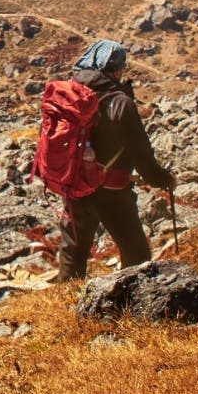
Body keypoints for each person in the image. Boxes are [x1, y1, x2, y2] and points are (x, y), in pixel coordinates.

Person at [54, 39, 177, 280]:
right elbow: (141, 154)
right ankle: (130, 302)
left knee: (73, 252)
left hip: (75, 185)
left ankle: (63, 306)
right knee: (136, 253)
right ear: (116, 69)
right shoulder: (121, 103)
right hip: (112, 190)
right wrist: (162, 179)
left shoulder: (67, 98)